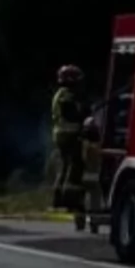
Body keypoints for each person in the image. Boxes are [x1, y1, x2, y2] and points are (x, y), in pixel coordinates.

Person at [52, 65, 89, 212]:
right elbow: (71, 114)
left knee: (65, 167)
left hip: (63, 134)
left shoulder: (61, 94)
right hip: (68, 135)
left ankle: (59, 200)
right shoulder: (65, 95)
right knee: (74, 166)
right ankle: (69, 201)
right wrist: (84, 115)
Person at [75, 116, 103, 232]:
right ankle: (94, 224)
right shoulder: (97, 147)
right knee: (95, 202)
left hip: (82, 176)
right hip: (94, 177)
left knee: (80, 200)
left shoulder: (80, 145)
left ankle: (80, 223)